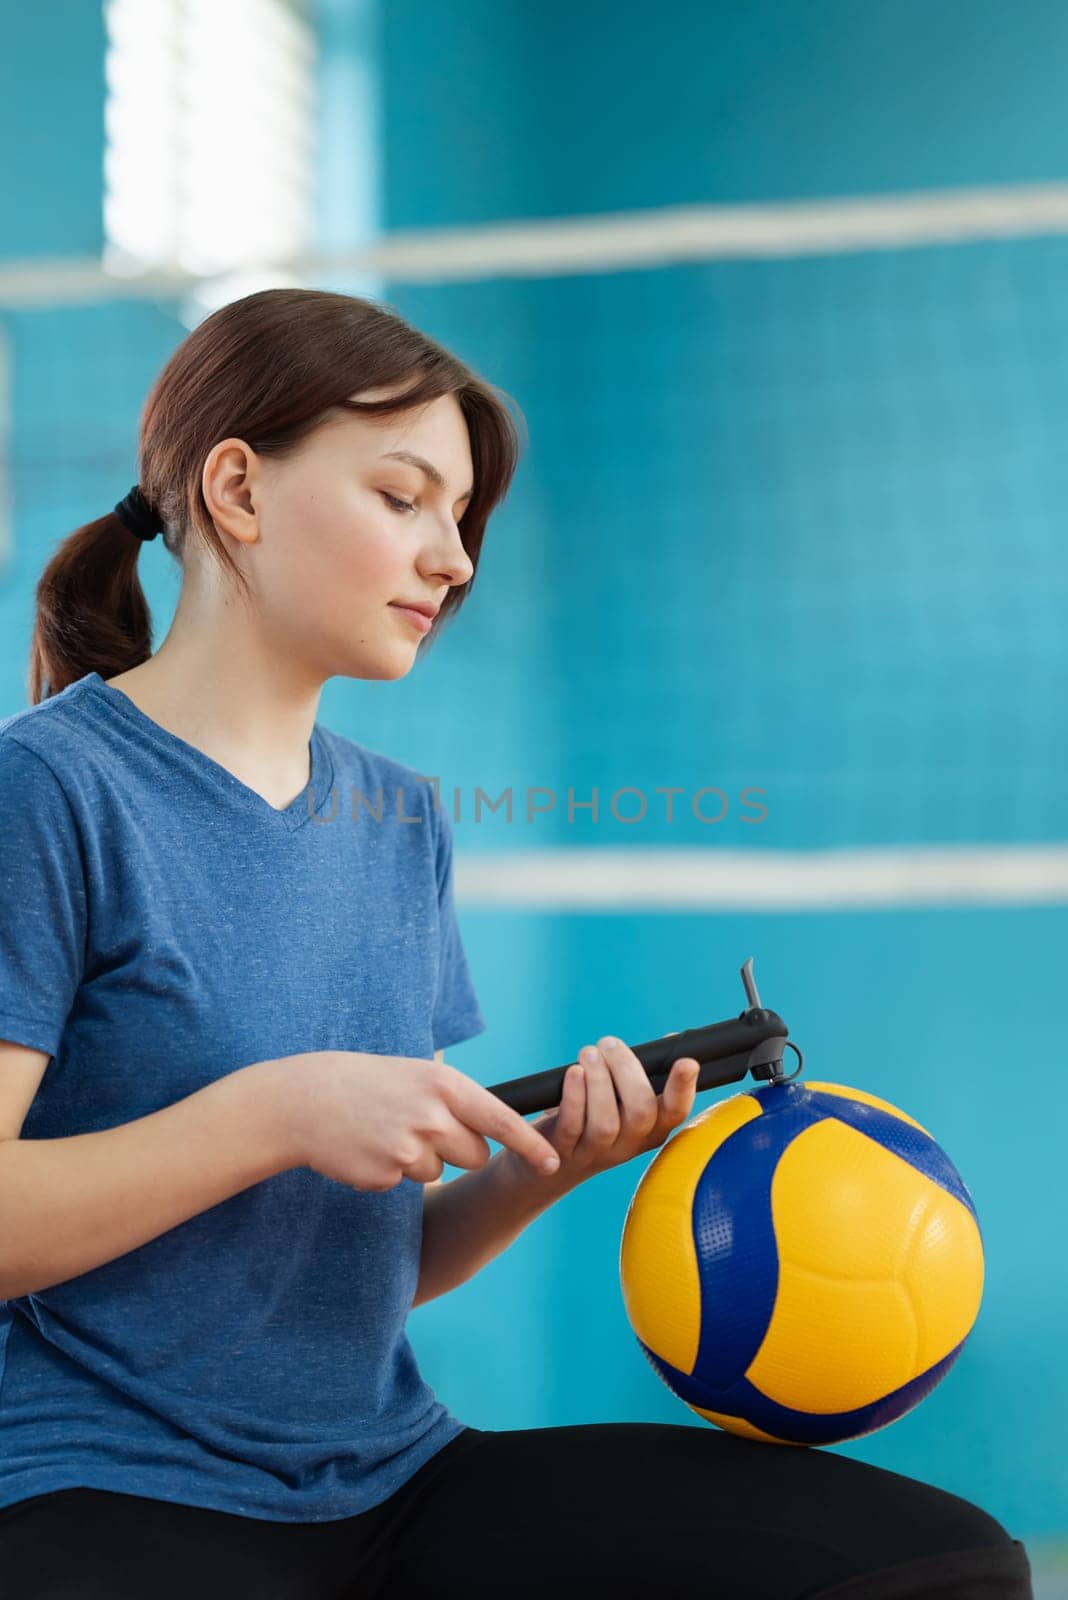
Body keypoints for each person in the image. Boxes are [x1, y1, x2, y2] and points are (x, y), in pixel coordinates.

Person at [0, 289, 1033, 1597]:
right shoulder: (48, 792)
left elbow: (352, 1264)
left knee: (943, 1565)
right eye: (404, 497)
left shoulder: (400, 819)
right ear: (237, 491)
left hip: (391, 1477)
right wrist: (271, 1113)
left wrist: (545, 1170)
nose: (456, 558)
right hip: (101, 1488)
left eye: (462, 516)